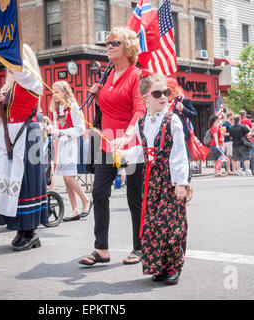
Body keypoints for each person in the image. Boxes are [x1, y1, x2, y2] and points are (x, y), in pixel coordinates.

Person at [79, 26, 146, 266]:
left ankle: (140, 248)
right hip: (106, 141)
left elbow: (140, 108)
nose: (108, 46)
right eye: (107, 42)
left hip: (130, 143)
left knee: (134, 197)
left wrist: (128, 134)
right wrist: (97, 94)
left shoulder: (137, 75)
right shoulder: (107, 74)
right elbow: (109, 107)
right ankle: (102, 249)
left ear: (127, 48)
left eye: (114, 43)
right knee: (98, 192)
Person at [119, 73, 188, 285]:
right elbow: (144, 151)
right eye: (158, 93)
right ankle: (159, 266)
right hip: (151, 180)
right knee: (152, 224)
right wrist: (125, 155)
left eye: (166, 92)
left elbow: (179, 152)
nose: (164, 97)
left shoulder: (172, 119)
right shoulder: (142, 122)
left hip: (169, 177)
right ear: (145, 98)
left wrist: (180, 182)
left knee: (170, 223)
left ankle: (173, 266)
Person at [0, 43, 48, 251]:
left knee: (26, 182)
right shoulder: (8, 85)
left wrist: (9, 50)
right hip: (9, 136)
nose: (7, 62)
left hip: (27, 134)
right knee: (10, 180)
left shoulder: (32, 80)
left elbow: (21, 72)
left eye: (11, 57)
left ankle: (30, 231)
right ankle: (20, 230)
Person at [50, 81, 92, 222]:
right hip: (62, 144)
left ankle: (86, 200)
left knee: (69, 177)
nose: (54, 94)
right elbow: (58, 127)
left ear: (65, 92)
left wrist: (62, 132)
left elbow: (80, 128)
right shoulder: (57, 109)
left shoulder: (73, 106)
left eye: (57, 91)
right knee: (65, 178)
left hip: (72, 144)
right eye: (53, 91)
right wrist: (54, 132)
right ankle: (75, 210)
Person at [167, 77, 197, 198]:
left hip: (181, 134)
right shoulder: (163, 101)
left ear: (174, 90)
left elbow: (194, 115)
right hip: (167, 135)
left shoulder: (184, 101)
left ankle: (186, 183)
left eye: (168, 90)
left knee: (183, 158)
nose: (166, 93)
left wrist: (183, 109)